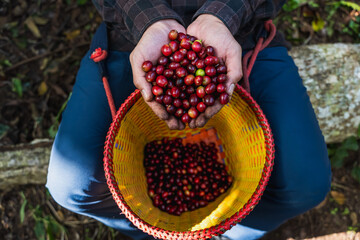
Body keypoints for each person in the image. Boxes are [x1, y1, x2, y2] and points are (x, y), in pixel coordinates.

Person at [46, 0, 332, 239]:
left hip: (241, 33)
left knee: (307, 184)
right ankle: (156, 233)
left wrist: (220, 17)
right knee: (72, 185)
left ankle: (229, 232)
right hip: (131, 35)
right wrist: (150, 20)